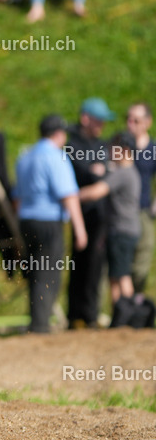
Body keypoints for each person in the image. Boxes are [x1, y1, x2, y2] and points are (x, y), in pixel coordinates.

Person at [13, 114, 87, 333]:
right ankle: (41, 325)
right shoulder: (56, 157)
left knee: (36, 271)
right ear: (58, 134)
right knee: (49, 272)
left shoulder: (25, 156)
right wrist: (79, 229)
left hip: (26, 220)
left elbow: (17, 196)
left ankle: (37, 320)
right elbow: (68, 195)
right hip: (49, 221)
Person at [64, 97, 115, 328]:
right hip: (80, 213)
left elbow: (104, 172)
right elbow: (88, 171)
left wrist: (99, 170)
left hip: (99, 215)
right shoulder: (72, 143)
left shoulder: (101, 145)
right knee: (78, 264)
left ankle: (91, 314)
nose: (101, 125)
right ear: (85, 118)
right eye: (98, 120)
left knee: (95, 265)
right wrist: (97, 171)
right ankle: (75, 314)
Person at [79, 131, 142, 308]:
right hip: (123, 230)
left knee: (122, 276)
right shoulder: (130, 172)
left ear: (123, 150)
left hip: (122, 230)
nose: (109, 153)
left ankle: (128, 315)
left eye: (112, 149)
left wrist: (71, 196)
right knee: (115, 275)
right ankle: (120, 314)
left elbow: (97, 192)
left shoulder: (123, 173)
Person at [126, 102, 156, 295]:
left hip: (143, 210)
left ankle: (136, 300)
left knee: (142, 260)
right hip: (122, 212)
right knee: (121, 261)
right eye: (128, 119)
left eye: (136, 120)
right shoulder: (121, 146)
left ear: (147, 122)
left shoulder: (153, 148)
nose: (131, 124)